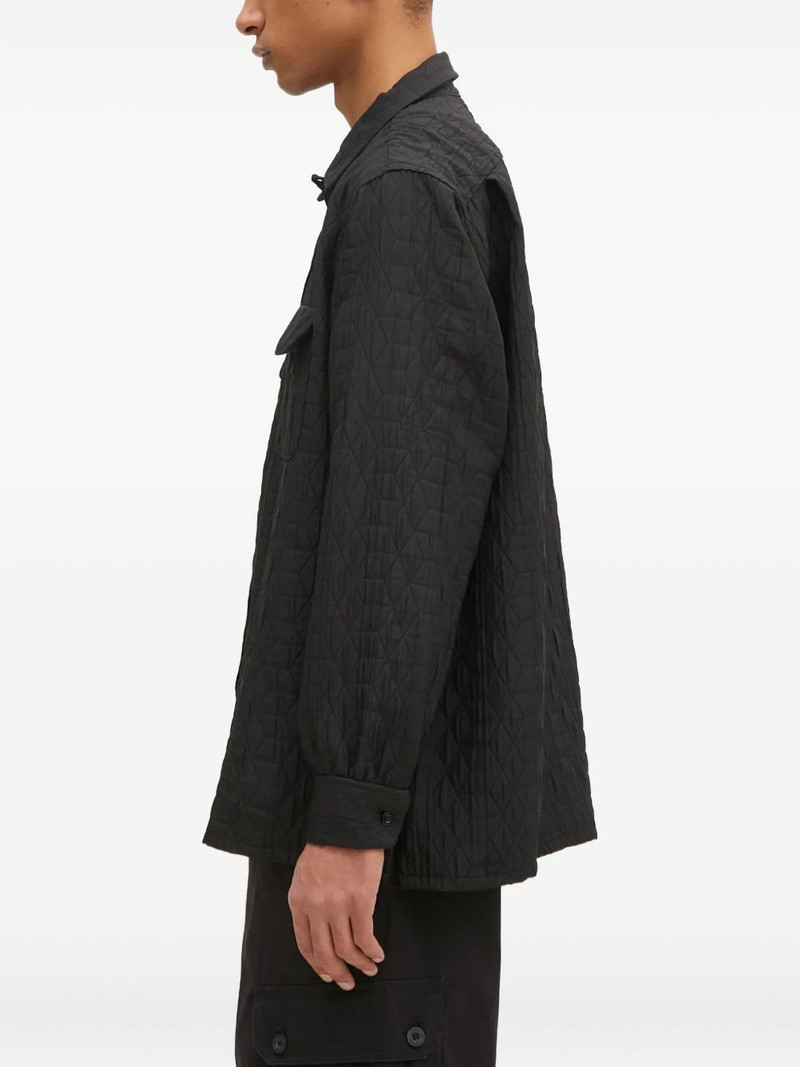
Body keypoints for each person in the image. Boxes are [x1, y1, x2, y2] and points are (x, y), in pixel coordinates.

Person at [203, 2, 598, 1064]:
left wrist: (349, 809)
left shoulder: (405, 187)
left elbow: (399, 519)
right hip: (396, 838)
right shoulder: (424, 168)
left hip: (374, 856)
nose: (244, 13)